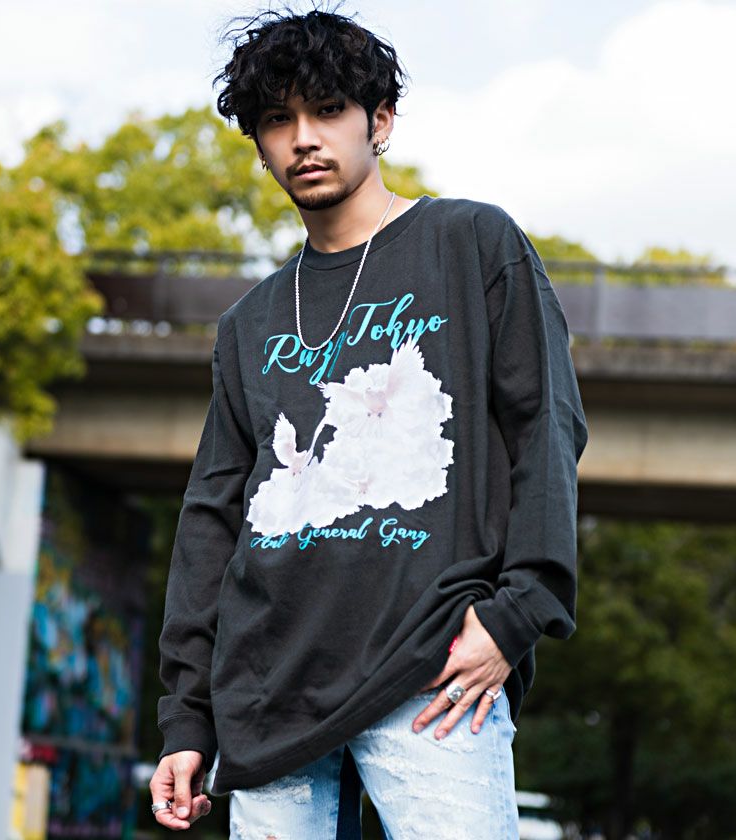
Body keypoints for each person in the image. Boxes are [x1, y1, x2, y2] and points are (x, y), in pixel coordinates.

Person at [149, 4, 589, 837]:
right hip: (268, 694)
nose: (303, 139)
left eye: (327, 110)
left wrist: (516, 612)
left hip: (432, 670)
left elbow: (546, 426)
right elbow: (211, 517)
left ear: (379, 122)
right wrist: (187, 716)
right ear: (260, 145)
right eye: (277, 120)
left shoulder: (470, 243)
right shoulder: (249, 322)